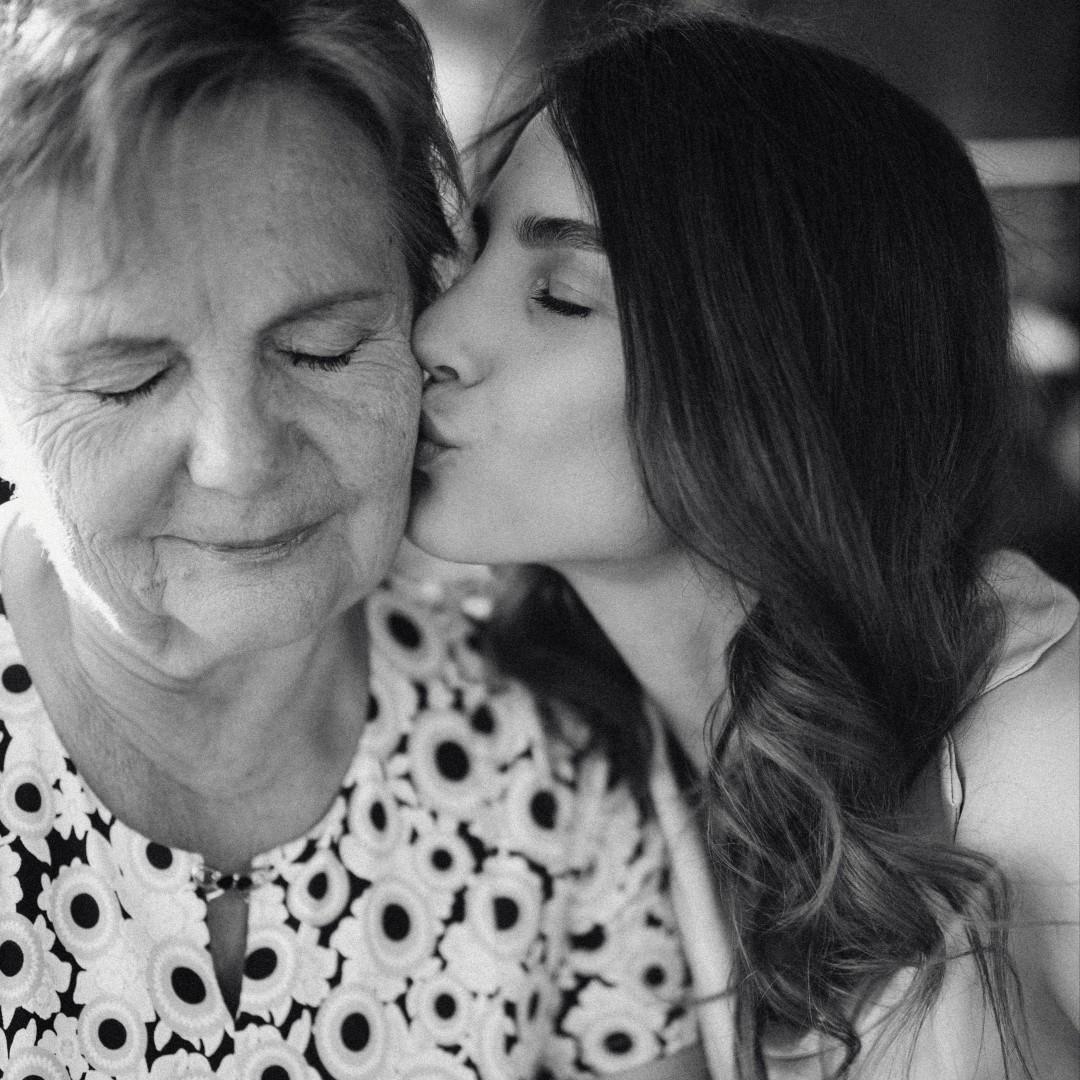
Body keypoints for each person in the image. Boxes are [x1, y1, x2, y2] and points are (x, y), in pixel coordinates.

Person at [0, 2, 706, 1077]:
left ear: (426, 310)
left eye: (322, 350)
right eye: (127, 378)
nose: (238, 458)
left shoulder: (548, 753)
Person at [408, 12, 1080, 1080]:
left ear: (769, 378)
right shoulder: (578, 754)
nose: (433, 336)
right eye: (470, 249)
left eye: (561, 296)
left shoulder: (1052, 753)